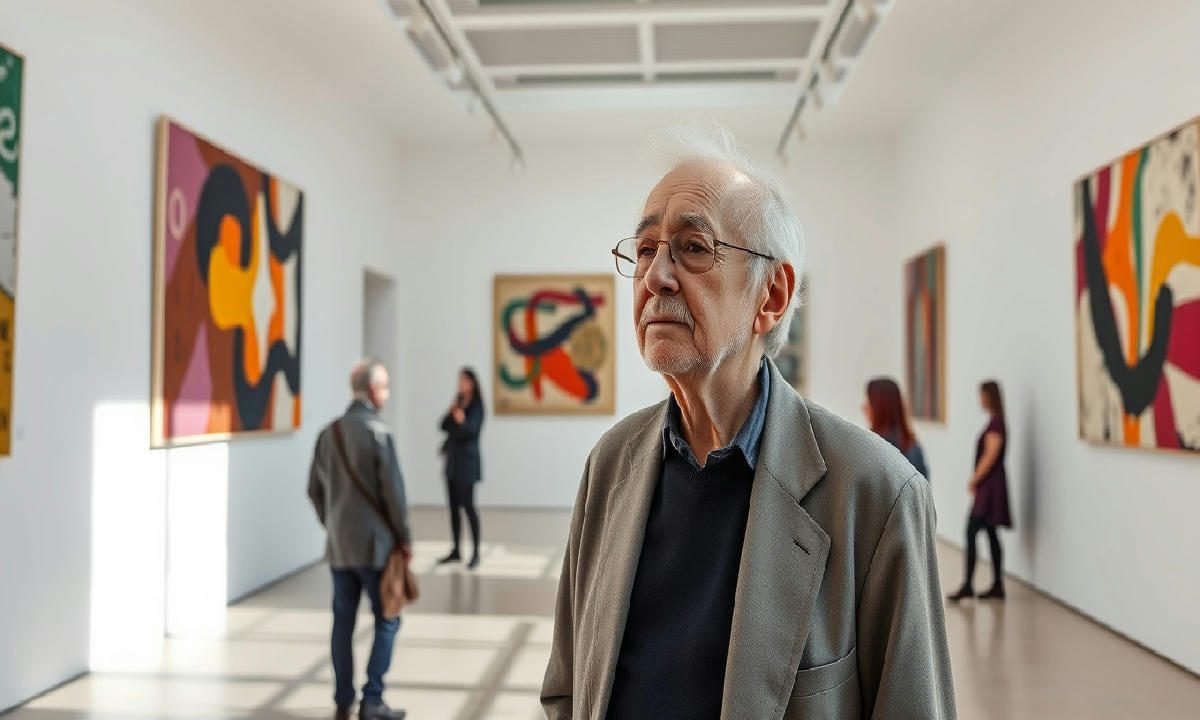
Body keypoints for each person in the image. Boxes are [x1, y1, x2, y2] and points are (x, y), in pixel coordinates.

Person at [541, 123, 955, 719]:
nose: (655, 276)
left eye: (693, 247)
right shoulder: (611, 463)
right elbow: (566, 690)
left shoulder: (874, 494)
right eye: (646, 249)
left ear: (772, 295)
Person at [308, 359, 411, 720]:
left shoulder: (328, 434)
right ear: (372, 390)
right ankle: (373, 699)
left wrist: (333, 523)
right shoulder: (379, 433)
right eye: (385, 387)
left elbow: (314, 490)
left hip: (339, 548)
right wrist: (404, 538)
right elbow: (394, 496)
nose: (387, 394)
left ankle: (342, 699)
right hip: (376, 547)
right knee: (388, 619)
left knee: (343, 622)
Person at [948, 380, 1013, 602]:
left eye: (983, 395)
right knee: (992, 534)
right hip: (992, 486)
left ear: (990, 397)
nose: (981, 400)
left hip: (989, 488)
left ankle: (969, 584)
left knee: (972, 531)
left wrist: (974, 480)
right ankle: (997, 585)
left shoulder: (995, 425)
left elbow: (990, 455)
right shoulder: (996, 422)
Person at [437, 367, 485, 570]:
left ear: (472, 382)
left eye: (464, 380)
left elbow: (472, 431)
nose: (461, 384)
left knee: (469, 507)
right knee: (454, 509)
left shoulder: (477, 406)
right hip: (452, 465)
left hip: (467, 465)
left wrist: (461, 420)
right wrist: (452, 414)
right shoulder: (458, 403)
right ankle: (456, 550)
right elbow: (443, 425)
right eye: (460, 380)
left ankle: (475, 553)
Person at [864, 377, 929, 479]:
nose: (864, 407)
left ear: (880, 407)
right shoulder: (911, 446)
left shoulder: (875, 450)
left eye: (869, 401)